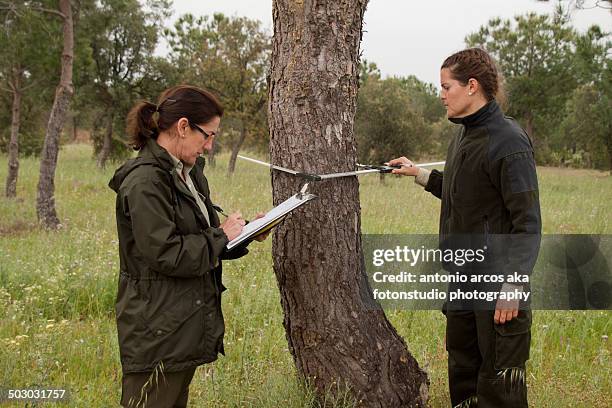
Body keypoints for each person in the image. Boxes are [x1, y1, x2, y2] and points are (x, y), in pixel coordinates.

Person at [388, 48, 541, 408]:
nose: (441, 95)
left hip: (498, 286)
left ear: (472, 86)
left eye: (446, 87)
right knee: (463, 374)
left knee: (499, 385)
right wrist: (420, 175)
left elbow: (528, 222)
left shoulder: (509, 142)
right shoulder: (461, 136)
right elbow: (466, 195)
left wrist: (514, 284)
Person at [108, 85, 269, 407]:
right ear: (183, 127)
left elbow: (201, 238)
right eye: (207, 135)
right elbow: (167, 254)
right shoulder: (145, 182)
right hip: (156, 329)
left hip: (181, 324)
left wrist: (243, 234)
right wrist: (221, 235)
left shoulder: (188, 173)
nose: (209, 146)